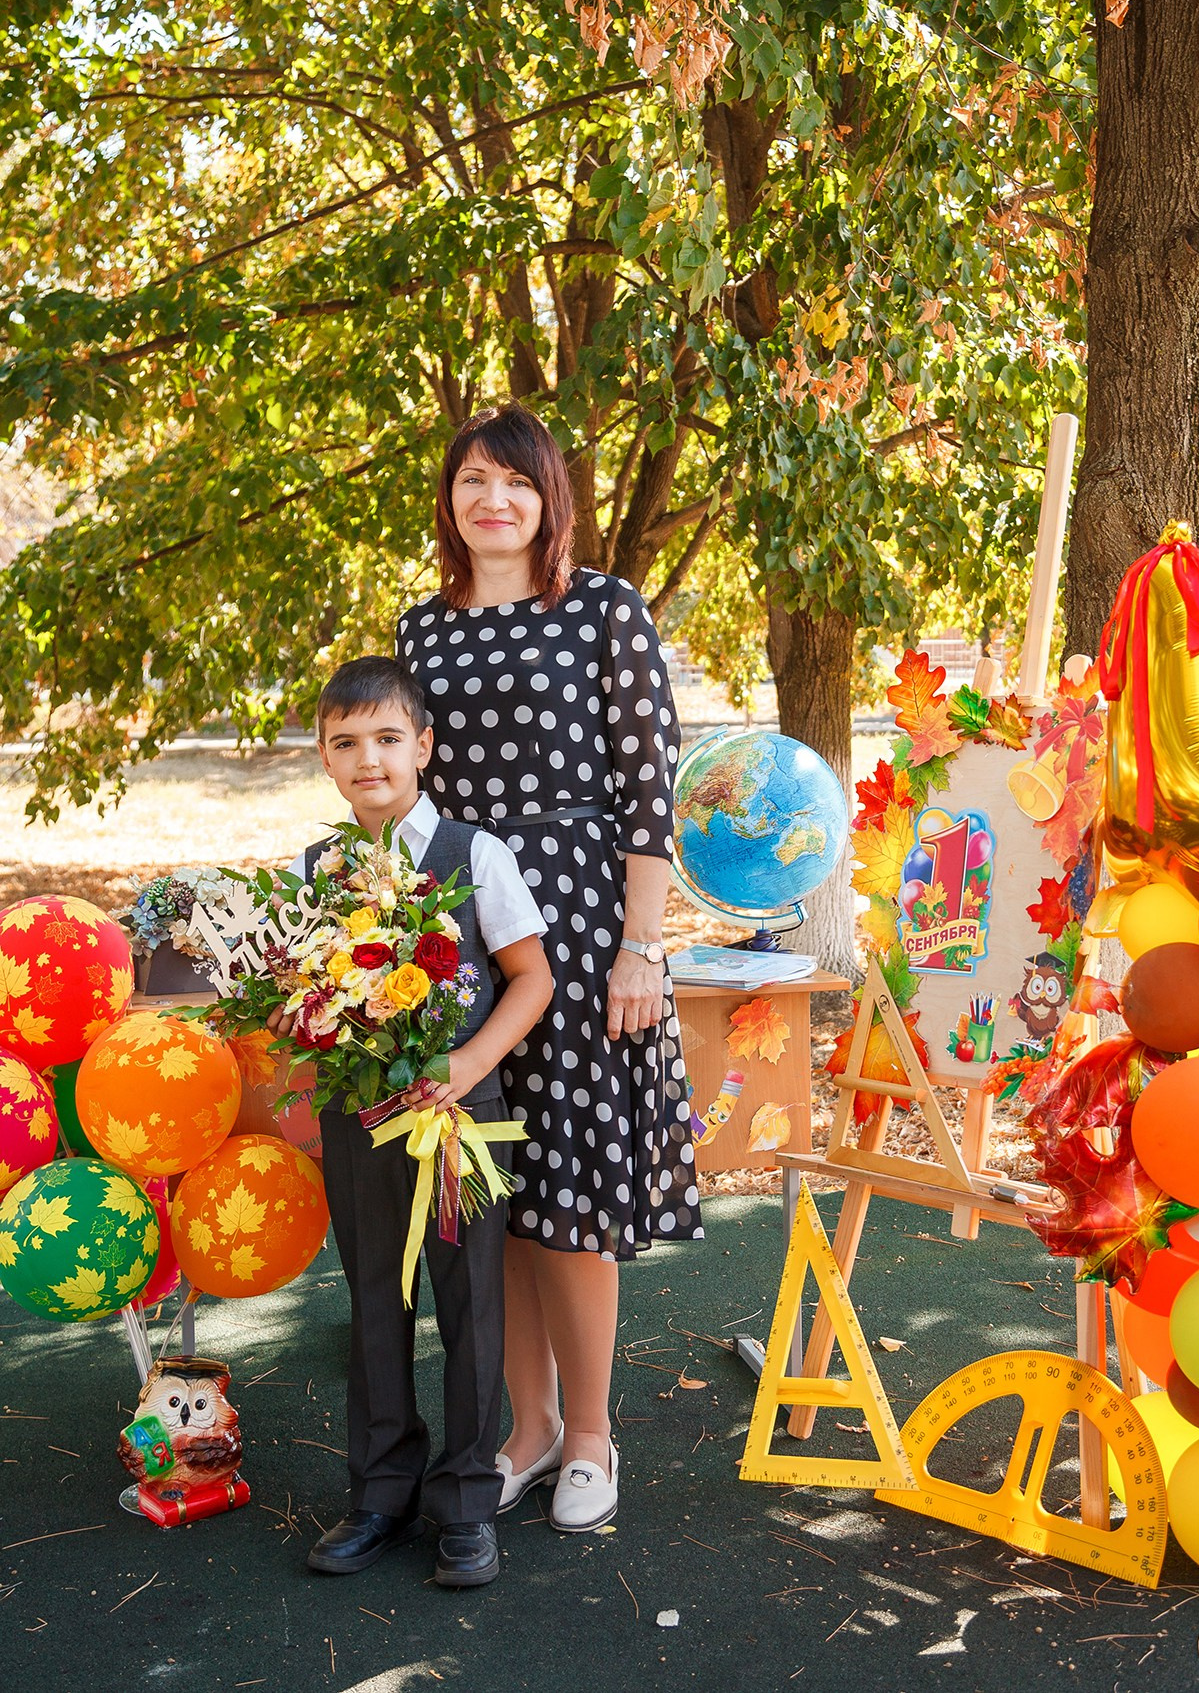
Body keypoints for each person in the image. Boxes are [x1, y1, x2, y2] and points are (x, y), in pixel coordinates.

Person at [396, 403, 703, 1535]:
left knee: (569, 1186)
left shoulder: (603, 609)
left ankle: (589, 1435)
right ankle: (524, 1429)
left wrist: (640, 945)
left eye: (517, 482)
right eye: (473, 480)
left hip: (578, 921)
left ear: (549, 500)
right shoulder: (420, 632)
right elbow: (404, 784)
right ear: (449, 500)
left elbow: (648, 789)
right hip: (459, 929)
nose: (494, 500)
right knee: (494, 1188)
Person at [269, 656, 552, 1588]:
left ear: (423, 745)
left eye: (388, 738)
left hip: (460, 1120)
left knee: (471, 1304)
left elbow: (532, 979)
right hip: (359, 1123)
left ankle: (467, 1500)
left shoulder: (475, 854)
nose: (369, 759)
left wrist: (470, 1064)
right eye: (345, 742)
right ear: (323, 757)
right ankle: (380, 1492)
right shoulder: (312, 871)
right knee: (374, 1304)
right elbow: (303, 997)